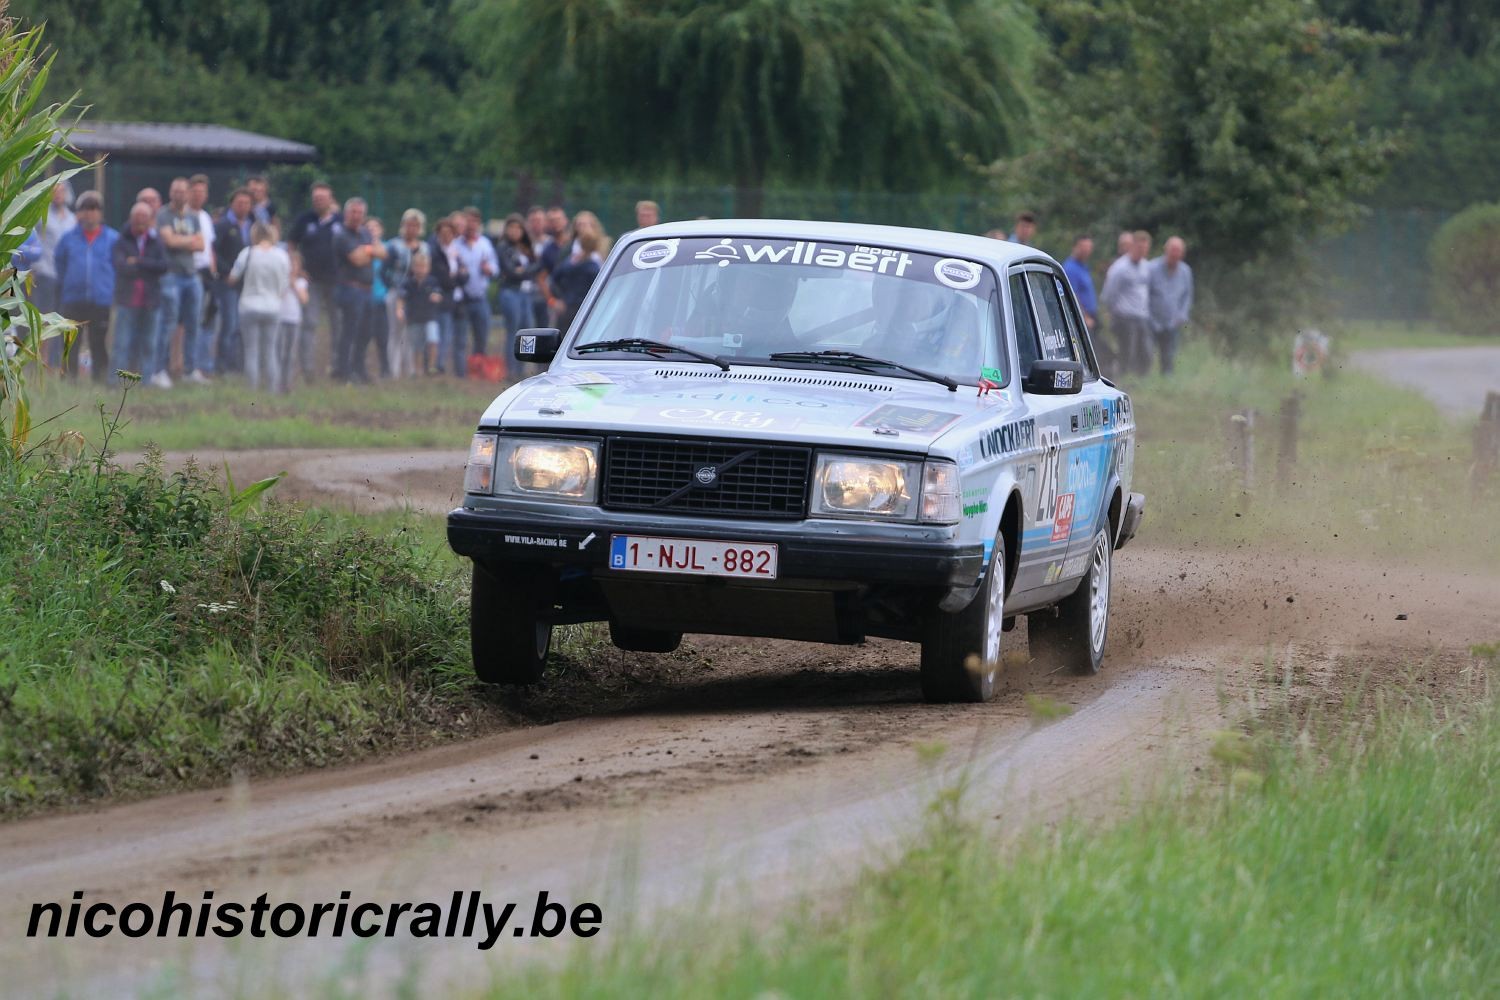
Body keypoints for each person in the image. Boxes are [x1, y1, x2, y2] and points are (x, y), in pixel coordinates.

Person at [53, 191, 118, 382]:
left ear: (100, 213)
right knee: (70, 343)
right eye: (86, 209)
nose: (90, 214)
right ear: (79, 212)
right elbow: (60, 263)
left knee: (98, 343)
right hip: (73, 299)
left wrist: (108, 288)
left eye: (94, 209)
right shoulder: (68, 238)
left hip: (101, 299)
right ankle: (68, 380)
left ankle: (100, 380)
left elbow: (117, 266)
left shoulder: (112, 238)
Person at [155, 177, 208, 386]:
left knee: (194, 323)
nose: (179, 194)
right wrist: (188, 241)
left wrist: (179, 241)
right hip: (171, 275)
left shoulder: (194, 217)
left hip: (191, 275)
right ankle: (160, 370)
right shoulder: (163, 214)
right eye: (175, 191)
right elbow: (168, 241)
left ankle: (190, 369)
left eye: (182, 191)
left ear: (187, 193)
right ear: (170, 193)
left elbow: (201, 245)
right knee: (168, 322)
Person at [286, 182, 341, 380]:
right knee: (309, 323)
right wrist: (297, 268)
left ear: (330, 199)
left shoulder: (339, 221)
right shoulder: (304, 220)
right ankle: (307, 368)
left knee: (338, 324)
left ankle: (337, 366)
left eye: (322, 198)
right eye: (315, 198)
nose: (318, 201)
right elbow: (291, 245)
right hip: (312, 281)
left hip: (336, 281)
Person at [228, 221, 291, 393]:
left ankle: (251, 389)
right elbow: (284, 286)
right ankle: (272, 389)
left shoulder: (247, 253)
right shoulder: (281, 255)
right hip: (272, 306)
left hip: (249, 305)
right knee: (270, 350)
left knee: (251, 350)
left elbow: (233, 277)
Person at [110, 201, 169, 381]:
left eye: (145, 220)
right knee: (122, 343)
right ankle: (115, 382)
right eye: (138, 220)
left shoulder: (155, 240)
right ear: (131, 220)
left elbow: (164, 266)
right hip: (127, 300)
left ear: (150, 221)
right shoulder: (122, 239)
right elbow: (121, 266)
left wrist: (138, 261)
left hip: (151, 300)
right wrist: (147, 266)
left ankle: (146, 382)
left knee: (149, 344)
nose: (141, 224)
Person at [330, 197, 387, 382]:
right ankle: (343, 371)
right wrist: (370, 251)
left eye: (360, 213)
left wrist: (366, 250)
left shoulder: (365, 234)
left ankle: (359, 368)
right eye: (353, 212)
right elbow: (357, 259)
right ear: (347, 213)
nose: (356, 216)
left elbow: (383, 253)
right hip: (349, 289)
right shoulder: (341, 235)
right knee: (349, 331)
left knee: (366, 332)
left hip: (367, 290)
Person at [32, 180, 75, 366]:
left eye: (61, 191)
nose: (58, 194)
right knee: (43, 317)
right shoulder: (41, 216)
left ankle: (55, 361)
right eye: (55, 191)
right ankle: (39, 358)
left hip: (64, 276)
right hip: (45, 272)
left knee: (59, 318)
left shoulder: (72, 219)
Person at [380, 208, 426, 378]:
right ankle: (394, 370)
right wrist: (393, 286)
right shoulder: (394, 246)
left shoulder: (424, 248)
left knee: (412, 333)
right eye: (409, 225)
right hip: (397, 295)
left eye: (415, 225)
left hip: (417, 298)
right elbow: (384, 271)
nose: (411, 229)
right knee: (395, 332)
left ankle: (412, 370)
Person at [213, 187, 255, 378]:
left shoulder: (253, 226)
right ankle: (223, 366)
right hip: (228, 283)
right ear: (232, 204)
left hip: (248, 284)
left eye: (247, 203)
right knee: (229, 324)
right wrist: (227, 271)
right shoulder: (222, 225)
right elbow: (214, 252)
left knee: (243, 326)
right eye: (240, 203)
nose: (243, 207)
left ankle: (239, 365)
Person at [1099, 230, 1153, 376]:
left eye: (1145, 248)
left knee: (1146, 352)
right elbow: (1108, 294)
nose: (1142, 250)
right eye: (1139, 247)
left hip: (1142, 316)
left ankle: (1141, 379)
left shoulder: (1146, 266)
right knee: (1127, 352)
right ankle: (1123, 379)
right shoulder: (1119, 268)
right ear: (1133, 246)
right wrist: (1113, 313)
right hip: (1125, 317)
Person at [452, 206, 497, 373]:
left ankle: (478, 371)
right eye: (468, 220)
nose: (471, 224)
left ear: (479, 223)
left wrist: (489, 269)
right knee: (461, 338)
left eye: (474, 221)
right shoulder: (456, 245)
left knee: (482, 337)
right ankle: (460, 373)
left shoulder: (485, 244)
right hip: (462, 299)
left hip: (480, 298)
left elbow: (495, 267)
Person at [188, 174, 221, 372]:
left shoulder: (206, 217)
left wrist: (214, 270)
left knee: (209, 319)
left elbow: (210, 247)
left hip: (208, 274)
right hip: (193, 272)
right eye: (196, 191)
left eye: (202, 192)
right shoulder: (184, 216)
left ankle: (204, 364)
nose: (199, 195)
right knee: (194, 320)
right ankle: (191, 365)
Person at [1147, 236, 1194, 375]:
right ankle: (1144, 379)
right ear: (1165, 250)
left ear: (1182, 253)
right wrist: (1149, 317)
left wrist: (1182, 315)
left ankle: (1167, 381)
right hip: (1151, 320)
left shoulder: (1186, 271)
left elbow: (1188, 296)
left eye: (1178, 251)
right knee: (1147, 353)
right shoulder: (1151, 267)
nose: (1175, 254)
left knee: (1169, 355)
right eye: (1172, 250)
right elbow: (1144, 295)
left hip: (1173, 322)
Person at [496, 213, 540, 350]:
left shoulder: (526, 247)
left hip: (526, 292)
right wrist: (524, 271)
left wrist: (523, 270)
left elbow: (537, 266)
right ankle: (512, 368)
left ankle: (522, 365)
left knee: (527, 330)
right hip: (510, 291)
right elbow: (510, 271)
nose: (515, 231)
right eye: (511, 227)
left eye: (518, 228)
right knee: (513, 330)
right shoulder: (503, 247)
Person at [396, 251, 444, 376]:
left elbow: (439, 294)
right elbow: (401, 298)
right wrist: (400, 310)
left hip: (430, 317)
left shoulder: (433, 282)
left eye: (423, 266)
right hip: (414, 318)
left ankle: (432, 366)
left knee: (433, 339)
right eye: (418, 266)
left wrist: (436, 297)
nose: (420, 269)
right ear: (413, 267)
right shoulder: (408, 283)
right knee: (417, 346)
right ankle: (417, 370)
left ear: (428, 268)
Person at [428, 216, 464, 374]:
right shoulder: (434, 251)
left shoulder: (455, 250)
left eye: (449, 233)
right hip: (442, 297)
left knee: (449, 333)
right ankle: (437, 365)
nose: (446, 236)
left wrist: (455, 276)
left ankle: (443, 365)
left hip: (455, 297)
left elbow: (464, 275)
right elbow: (444, 278)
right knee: (441, 332)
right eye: (443, 233)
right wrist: (457, 276)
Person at [548, 230, 602, 334]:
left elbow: (553, 280)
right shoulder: (594, 267)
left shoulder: (569, 262)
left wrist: (558, 299)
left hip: (566, 308)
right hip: (584, 310)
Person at [278, 250, 309, 393]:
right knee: (281, 351)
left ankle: (288, 382)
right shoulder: (280, 280)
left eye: (295, 264)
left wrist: (294, 284)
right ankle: (278, 382)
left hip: (294, 320)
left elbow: (304, 299)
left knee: (291, 353)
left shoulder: (302, 282)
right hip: (281, 319)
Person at [1062, 235, 1098, 333]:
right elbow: (1073, 294)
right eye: (1083, 247)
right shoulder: (1071, 268)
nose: (1086, 251)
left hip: (1091, 316)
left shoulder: (1083, 266)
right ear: (1075, 247)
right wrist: (1084, 317)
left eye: (1088, 247)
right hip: (1082, 319)